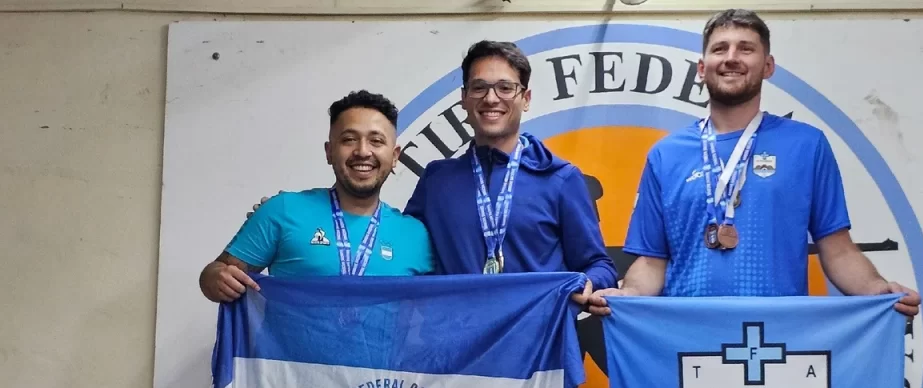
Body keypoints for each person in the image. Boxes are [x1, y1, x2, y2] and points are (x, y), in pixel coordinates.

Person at [587, 9, 921, 317]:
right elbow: (652, 261)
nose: (731, 57)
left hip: (778, 339)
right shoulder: (666, 155)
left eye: (745, 49)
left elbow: (838, 251)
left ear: (768, 66)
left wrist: (878, 290)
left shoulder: (807, 145)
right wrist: (627, 294)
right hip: (689, 337)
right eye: (720, 49)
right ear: (702, 68)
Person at [403, 40, 617, 302]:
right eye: (479, 88)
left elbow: (599, 265)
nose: (491, 98)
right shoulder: (436, 182)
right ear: (464, 98)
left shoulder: (560, 178)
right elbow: (402, 255)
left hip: (538, 329)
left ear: (525, 99)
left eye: (505, 88)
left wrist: (586, 283)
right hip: (457, 328)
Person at [199, 90, 433, 302]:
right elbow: (217, 272)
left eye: (376, 141)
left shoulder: (416, 234)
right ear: (329, 152)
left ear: (395, 156)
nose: (363, 151)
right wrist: (215, 278)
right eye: (349, 139)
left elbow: (440, 311)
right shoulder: (282, 210)